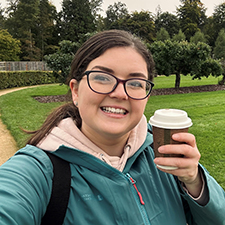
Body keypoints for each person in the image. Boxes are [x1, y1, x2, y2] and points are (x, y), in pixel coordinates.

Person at [0, 30, 224, 225]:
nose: (120, 93)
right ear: (75, 91)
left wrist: (195, 181)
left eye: (135, 83)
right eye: (102, 77)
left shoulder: (161, 151)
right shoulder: (39, 172)